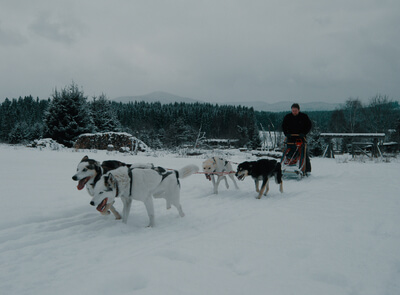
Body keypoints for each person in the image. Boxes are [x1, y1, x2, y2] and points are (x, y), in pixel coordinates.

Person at [282, 103, 312, 174]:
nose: (294, 112)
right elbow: (283, 126)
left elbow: (309, 126)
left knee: (303, 154)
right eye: (293, 111)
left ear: (298, 110)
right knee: (289, 153)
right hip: (290, 138)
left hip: (301, 138)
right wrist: (286, 134)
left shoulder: (304, 117)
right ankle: (287, 166)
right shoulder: (288, 117)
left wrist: (304, 133)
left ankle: (307, 170)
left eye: (295, 110)